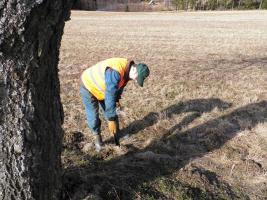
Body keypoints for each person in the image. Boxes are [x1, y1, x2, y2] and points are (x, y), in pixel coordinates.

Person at [80, 58, 150, 151]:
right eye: (136, 78)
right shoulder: (116, 71)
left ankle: (117, 134)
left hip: (103, 88)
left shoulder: (127, 72)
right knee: (93, 115)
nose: (135, 80)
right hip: (88, 85)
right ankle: (98, 140)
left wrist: (116, 100)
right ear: (134, 69)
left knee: (112, 110)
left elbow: (117, 88)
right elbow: (110, 95)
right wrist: (111, 118)